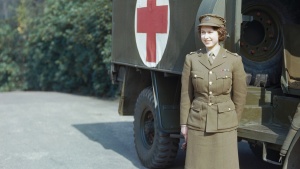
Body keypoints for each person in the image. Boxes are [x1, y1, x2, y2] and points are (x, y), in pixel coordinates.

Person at [180, 14, 247, 169]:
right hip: (198, 123)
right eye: (203, 32)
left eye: (210, 32)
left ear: (220, 33)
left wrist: (231, 120)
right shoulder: (192, 59)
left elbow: (240, 96)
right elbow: (186, 94)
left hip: (225, 125)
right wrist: (184, 124)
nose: (206, 36)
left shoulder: (233, 60)